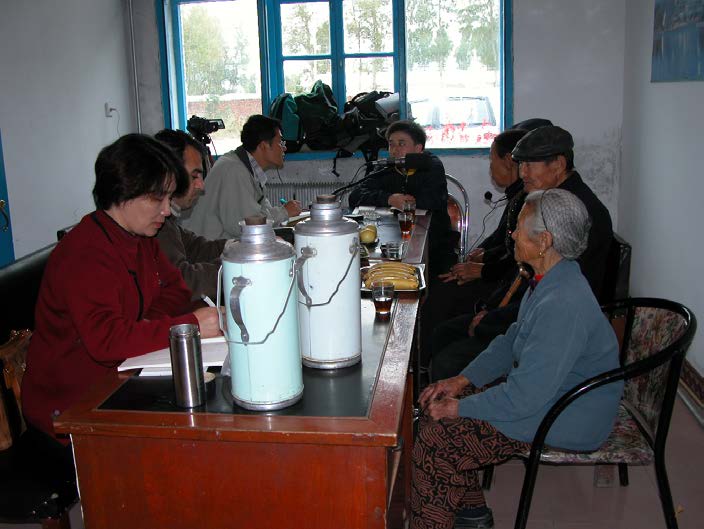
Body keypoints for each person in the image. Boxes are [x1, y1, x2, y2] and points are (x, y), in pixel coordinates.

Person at [412, 189, 623, 529]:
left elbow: (524, 397)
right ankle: (471, 514)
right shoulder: (551, 278)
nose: (511, 234)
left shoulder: (562, 304)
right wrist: (461, 381)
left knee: (438, 438)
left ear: (544, 241)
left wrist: (459, 407)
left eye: (520, 227)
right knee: (439, 406)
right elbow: (512, 340)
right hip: (548, 393)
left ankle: (446, 519)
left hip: (569, 411)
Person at [22, 134, 222, 446]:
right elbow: (105, 341)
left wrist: (146, 326)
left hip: (118, 379)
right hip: (72, 407)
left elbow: (176, 289)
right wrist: (189, 326)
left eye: (169, 199)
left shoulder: (141, 238)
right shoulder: (85, 253)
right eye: (158, 199)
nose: (167, 211)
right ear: (123, 193)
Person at [430, 125, 613, 381]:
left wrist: (491, 319)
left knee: (447, 361)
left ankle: (450, 412)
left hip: (551, 327)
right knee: (442, 333)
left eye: (529, 165)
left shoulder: (573, 212)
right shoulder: (545, 198)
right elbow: (523, 277)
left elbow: (551, 300)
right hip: (521, 311)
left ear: (558, 164)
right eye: (521, 164)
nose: (522, 173)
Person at [418, 128, 530, 367]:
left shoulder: (527, 200)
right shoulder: (517, 195)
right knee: (441, 287)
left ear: (509, 161)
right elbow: (505, 243)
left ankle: (422, 368)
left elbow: (518, 260)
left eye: (492, 160)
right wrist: (484, 256)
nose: (490, 168)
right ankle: (422, 368)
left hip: (506, 285)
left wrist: (482, 270)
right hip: (498, 273)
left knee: (442, 296)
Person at [348, 120, 454, 275]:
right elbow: (355, 195)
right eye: (391, 144)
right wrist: (389, 199)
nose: (394, 150)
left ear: (418, 148)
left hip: (433, 240)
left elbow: (434, 200)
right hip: (393, 236)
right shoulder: (387, 167)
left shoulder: (431, 165)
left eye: (401, 144)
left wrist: (407, 202)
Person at [180, 115, 302, 239]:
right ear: (264, 145)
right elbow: (244, 227)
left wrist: (282, 213)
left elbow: (261, 213)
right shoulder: (234, 169)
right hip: (207, 250)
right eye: (280, 142)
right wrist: (284, 212)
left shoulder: (250, 169)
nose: (284, 148)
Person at [155, 129, 229, 300]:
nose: (201, 186)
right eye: (194, 176)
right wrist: (237, 266)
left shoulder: (167, 220)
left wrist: (241, 246)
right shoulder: (154, 225)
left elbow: (195, 247)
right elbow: (183, 282)